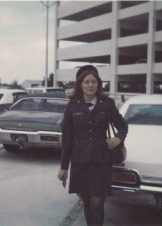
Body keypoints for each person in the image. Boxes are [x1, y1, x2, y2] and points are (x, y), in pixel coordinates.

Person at [58, 65, 128, 226]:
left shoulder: (107, 104)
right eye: (87, 82)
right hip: (80, 162)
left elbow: (123, 125)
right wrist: (64, 167)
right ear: (80, 85)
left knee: (97, 202)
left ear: (98, 84)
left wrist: (118, 138)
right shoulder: (72, 106)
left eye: (94, 82)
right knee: (87, 201)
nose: (90, 85)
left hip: (101, 161)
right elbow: (67, 137)